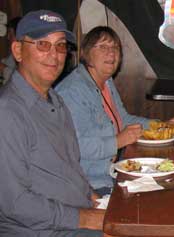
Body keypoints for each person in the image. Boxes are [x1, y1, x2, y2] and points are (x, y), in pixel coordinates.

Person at [0, 10, 106, 236]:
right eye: (42, 45)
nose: (54, 55)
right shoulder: (7, 112)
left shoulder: (55, 100)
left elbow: (67, 168)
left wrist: (92, 196)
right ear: (18, 50)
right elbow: (13, 203)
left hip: (76, 214)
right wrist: (85, 218)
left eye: (60, 46)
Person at [56, 26, 174, 194]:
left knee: (172, 183)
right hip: (90, 184)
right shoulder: (72, 91)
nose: (111, 53)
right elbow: (76, 146)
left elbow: (123, 120)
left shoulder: (106, 82)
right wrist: (117, 141)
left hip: (113, 169)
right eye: (103, 47)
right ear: (86, 54)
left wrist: (161, 126)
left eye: (115, 48)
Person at [0, 16, 21, 84]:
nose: (8, 37)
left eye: (10, 33)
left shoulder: (28, 55)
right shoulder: (12, 55)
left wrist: (3, 68)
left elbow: (20, 82)